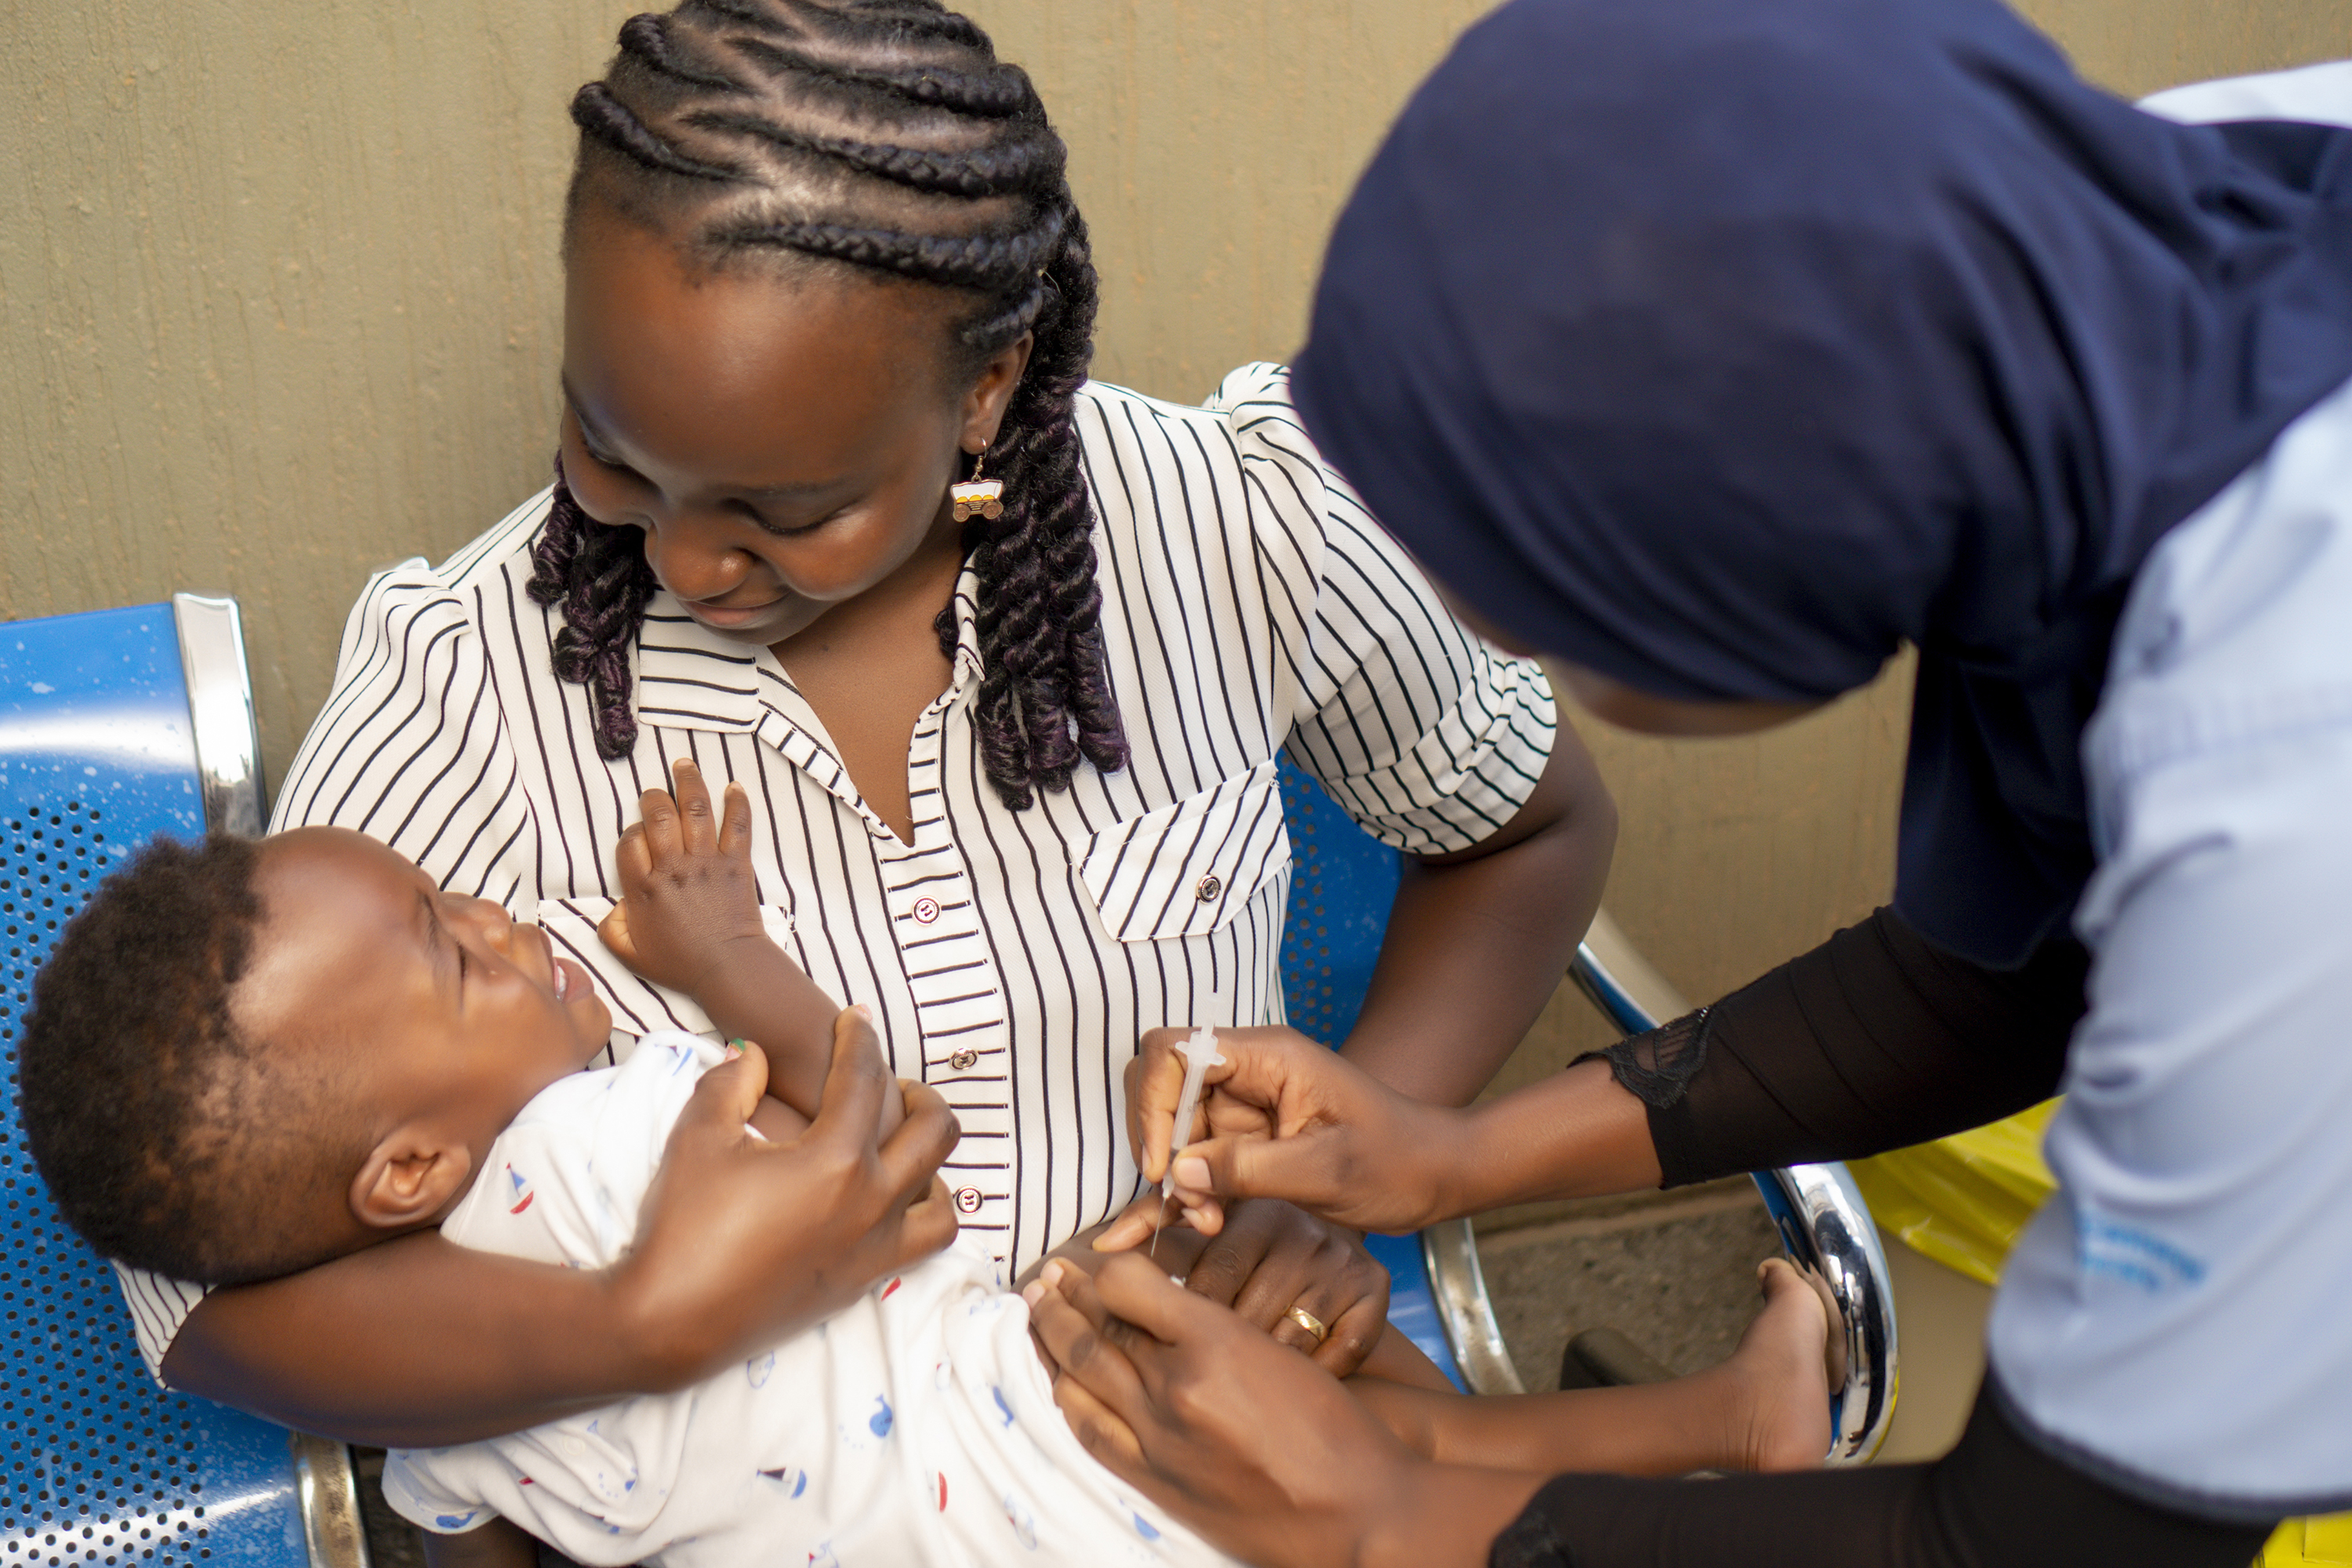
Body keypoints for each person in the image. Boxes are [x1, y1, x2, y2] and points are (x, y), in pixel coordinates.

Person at [114, 0, 1614, 1449]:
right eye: (608, 449)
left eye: (792, 511)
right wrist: (643, 1327)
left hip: (1194, 1449)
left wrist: (1323, 1182)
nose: (689, 565)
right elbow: (202, 1297)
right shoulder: (471, 684)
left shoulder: (1226, 529)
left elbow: (1526, 833)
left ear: (988, 387)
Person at [1013, 3, 2352, 1566]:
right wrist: (1447, 1152)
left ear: (1751, 575)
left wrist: (1390, 1518)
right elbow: (2011, 972)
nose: (1476, 642)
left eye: (1542, 623)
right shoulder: (2082, 268)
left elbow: (2040, 1547)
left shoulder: (2283, 789)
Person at [20, 768, 1829, 1568]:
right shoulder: (606, 1133)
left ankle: (1728, 1446)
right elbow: (903, 1152)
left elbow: (478, 1527)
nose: (509, 921)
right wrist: (728, 964)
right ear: (407, 1161)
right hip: (1034, 1447)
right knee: (1419, 1449)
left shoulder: (433, 1383)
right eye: (453, 948)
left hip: (971, 1520)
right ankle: (1726, 1446)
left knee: (1413, 1449)